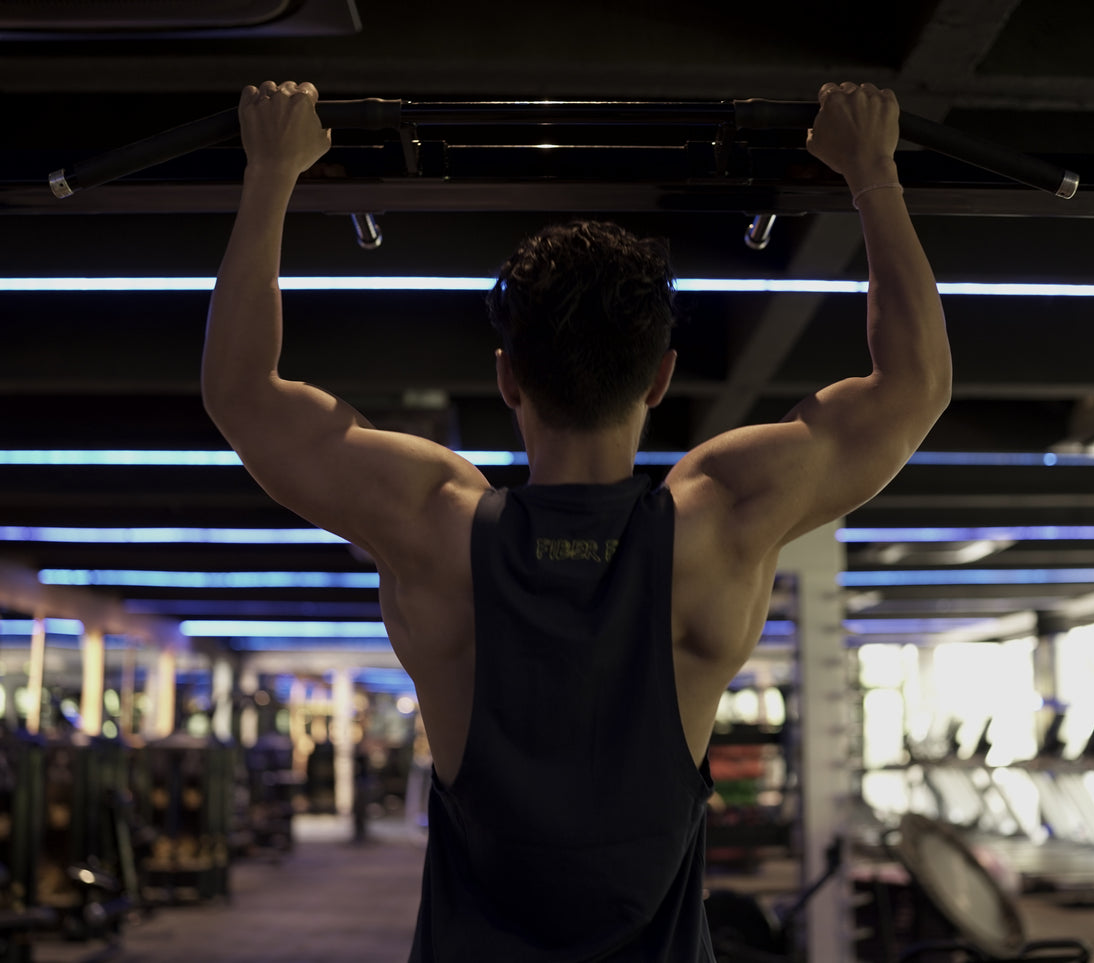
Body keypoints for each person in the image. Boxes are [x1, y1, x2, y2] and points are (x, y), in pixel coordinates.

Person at [204, 79, 950, 962]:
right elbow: (914, 386)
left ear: (507, 379)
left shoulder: (432, 520)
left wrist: (272, 172)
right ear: (661, 379)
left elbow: (242, 395)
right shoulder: (722, 518)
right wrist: (871, 171)